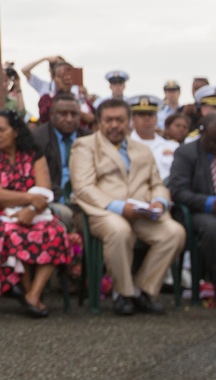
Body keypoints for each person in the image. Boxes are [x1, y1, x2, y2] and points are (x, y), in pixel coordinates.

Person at [70, 99, 185, 315]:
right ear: (99, 122)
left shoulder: (141, 149)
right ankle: (122, 294)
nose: (115, 125)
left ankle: (142, 290)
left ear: (128, 122)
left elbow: (157, 183)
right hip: (102, 211)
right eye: (109, 120)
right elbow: (83, 188)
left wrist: (159, 201)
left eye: (120, 120)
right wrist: (120, 207)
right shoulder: (85, 146)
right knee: (120, 230)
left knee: (174, 232)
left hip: (142, 212)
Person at [0, 111, 72, 318]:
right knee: (14, 234)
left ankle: (32, 295)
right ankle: (29, 292)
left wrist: (31, 210)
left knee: (56, 233)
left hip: (36, 214)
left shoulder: (34, 155)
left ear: (16, 132)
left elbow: (44, 189)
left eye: (2, 130)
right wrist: (29, 199)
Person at [168, 113, 216, 286]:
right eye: (212, 140)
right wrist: (210, 203)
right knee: (212, 229)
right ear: (202, 135)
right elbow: (178, 191)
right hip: (196, 212)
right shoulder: (186, 153)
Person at [30, 92, 89, 229]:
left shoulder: (90, 138)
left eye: (74, 114)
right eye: (63, 114)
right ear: (51, 115)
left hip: (86, 198)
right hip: (54, 199)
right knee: (65, 215)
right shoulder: (38, 139)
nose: (69, 119)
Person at [128, 95, 179, 182]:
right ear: (133, 119)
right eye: (141, 115)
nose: (146, 119)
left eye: (150, 114)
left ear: (156, 118)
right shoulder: (124, 146)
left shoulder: (172, 146)